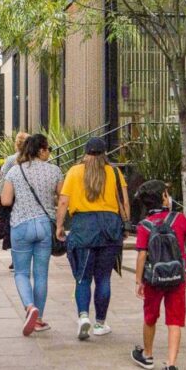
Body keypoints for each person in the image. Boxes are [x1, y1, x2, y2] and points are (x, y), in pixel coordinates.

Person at [131, 180, 186, 370]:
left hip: (153, 279)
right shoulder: (179, 219)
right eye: (166, 193)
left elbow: (141, 255)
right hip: (177, 278)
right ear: (163, 198)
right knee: (175, 320)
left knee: (150, 316)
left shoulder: (144, 226)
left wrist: (139, 281)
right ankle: (171, 365)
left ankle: (147, 355)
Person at [56, 137, 130, 340]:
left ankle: (83, 317)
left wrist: (60, 226)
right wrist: (125, 224)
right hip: (110, 226)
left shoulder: (74, 172)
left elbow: (63, 201)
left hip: (84, 227)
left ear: (86, 153)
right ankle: (100, 323)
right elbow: (124, 200)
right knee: (104, 277)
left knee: (83, 277)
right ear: (104, 152)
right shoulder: (114, 172)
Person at [0, 134, 63, 336]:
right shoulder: (55, 171)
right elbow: (63, 198)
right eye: (48, 149)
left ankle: (29, 307)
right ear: (41, 150)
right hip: (45, 226)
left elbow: (6, 200)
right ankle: (39, 319)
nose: (49, 153)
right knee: (41, 274)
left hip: (21, 224)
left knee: (21, 273)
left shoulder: (15, 172)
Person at [0, 132, 30, 267]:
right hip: (27, 197)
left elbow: (4, 180)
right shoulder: (32, 159)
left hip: (12, 197)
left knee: (13, 227)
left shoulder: (11, 159)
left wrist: (0, 198)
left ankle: (15, 257)